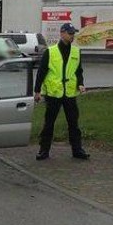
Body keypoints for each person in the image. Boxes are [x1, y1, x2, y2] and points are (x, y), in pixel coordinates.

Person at [34, 22, 89, 161]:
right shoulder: (50, 51)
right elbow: (41, 72)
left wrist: (81, 83)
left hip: (70, 93)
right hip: (54, 93)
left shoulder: (76, 51)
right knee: (49, 123)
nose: (72, 36)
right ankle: (43, 150)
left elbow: (78, 71)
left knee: (73, 123)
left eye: (73, 34)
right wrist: (37, 91)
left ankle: (77, 150)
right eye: (70, 33)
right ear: (62, 33)